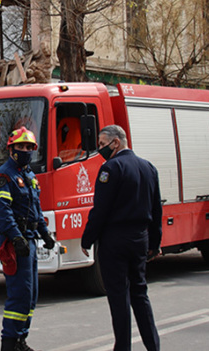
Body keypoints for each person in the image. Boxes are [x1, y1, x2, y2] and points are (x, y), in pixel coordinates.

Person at [81, 125, 161, 351]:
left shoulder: (111, 168)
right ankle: (153, 346)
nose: (100, 149)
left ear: (116, 142)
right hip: (140, 238)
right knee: (140, 293)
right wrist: (155, 242)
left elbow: (101, 210)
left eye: (102, 144)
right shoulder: (148, 168)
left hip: (115, 240)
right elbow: (157, 210)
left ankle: (123, 347)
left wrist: (87, 239)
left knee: (119, 298)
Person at [0, 127, 55, 351]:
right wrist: (16, 238)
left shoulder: (29, 175)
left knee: (31, 295)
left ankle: (20, 340)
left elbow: (36, 209)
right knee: (19, 295)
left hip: (31, 240)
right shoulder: (3, 176)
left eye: (29, 147)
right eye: (21, 147)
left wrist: (45, 233)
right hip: (14, 243)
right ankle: (9, 343)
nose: (25, 151)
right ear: (11, 149)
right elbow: (2, 212)